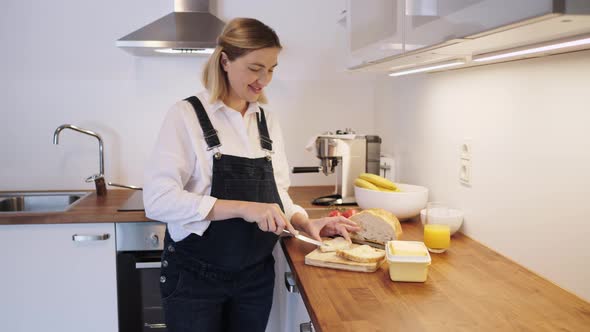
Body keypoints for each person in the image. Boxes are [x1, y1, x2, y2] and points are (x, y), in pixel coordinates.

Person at [143, 17, 360, 332]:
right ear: (225, 61)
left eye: (272, 69)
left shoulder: (266, 119)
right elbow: (158, 200)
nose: (264, 80)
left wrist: (304, 222)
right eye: (256, 68)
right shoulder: (186, 115)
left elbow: (277, 193)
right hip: (194, 278)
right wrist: (244, 207)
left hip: (254, 276)